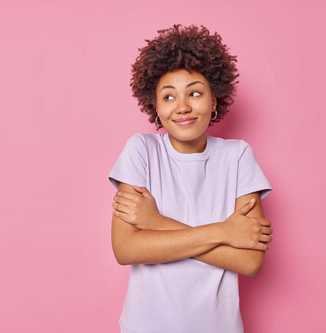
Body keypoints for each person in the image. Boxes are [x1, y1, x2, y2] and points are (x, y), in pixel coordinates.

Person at [108, 24, 273, 333]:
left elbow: (250, 261)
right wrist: (225, 232)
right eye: (168, 97)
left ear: (214, 100)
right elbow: (126, 249)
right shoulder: (141, 150)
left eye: (195, 93)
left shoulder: (237, 157)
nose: (182, 107)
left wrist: (156, 224)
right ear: (155, 107)